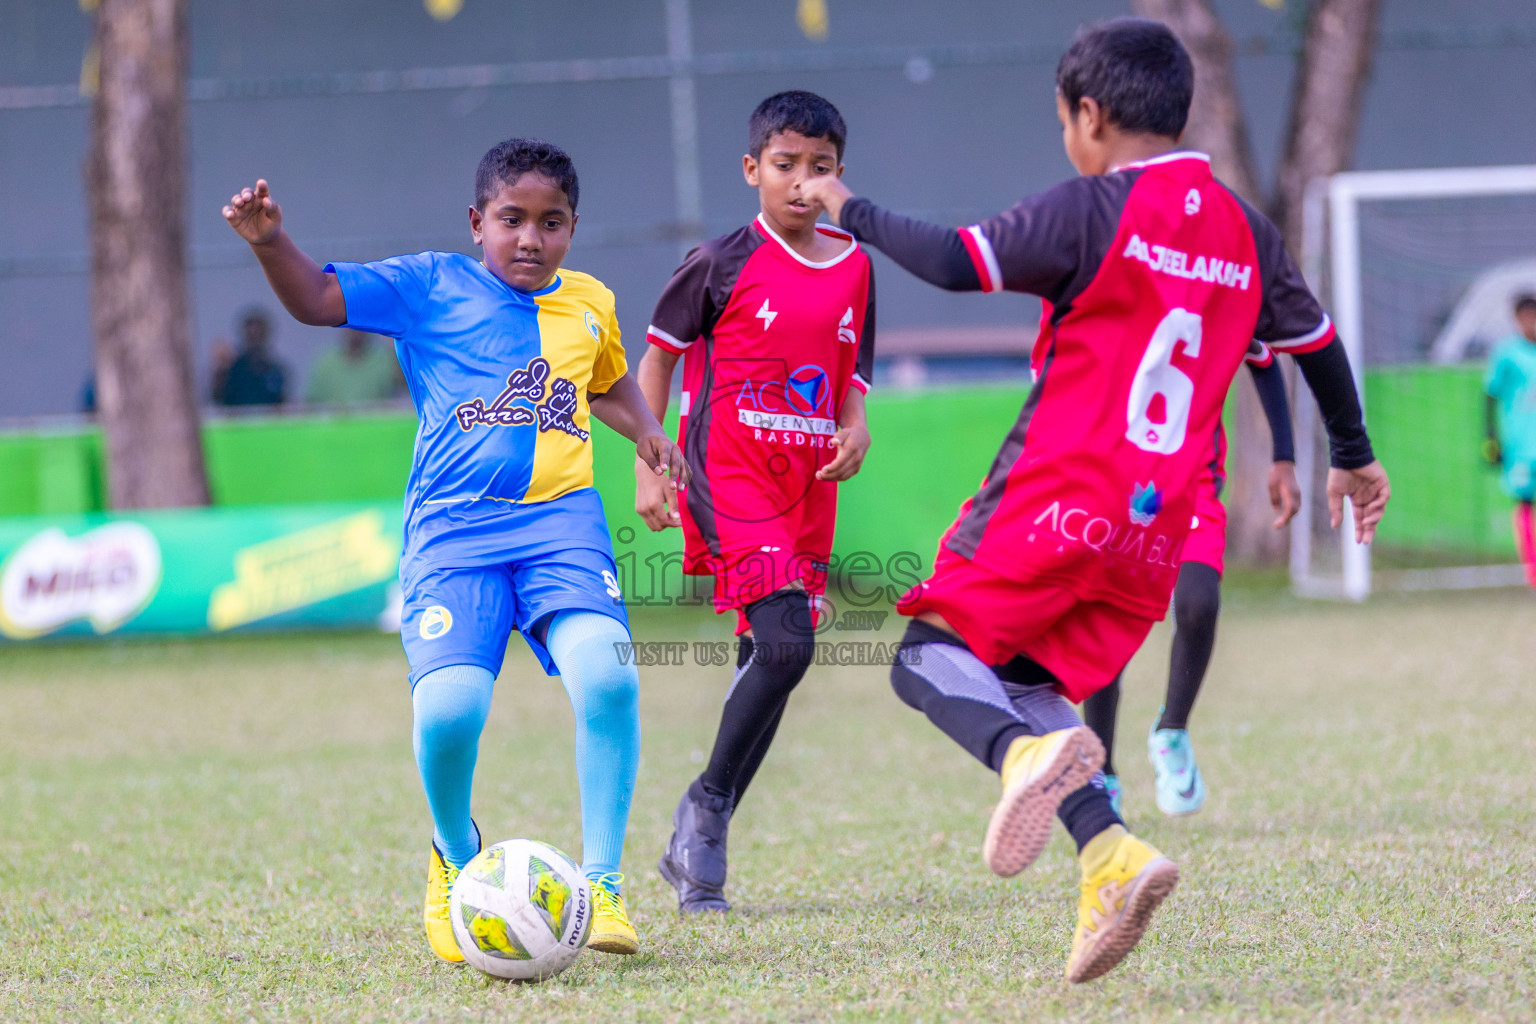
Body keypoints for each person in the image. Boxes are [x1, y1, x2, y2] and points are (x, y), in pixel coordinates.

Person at [801, 17, 1389, 983]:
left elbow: (956, 261)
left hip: (1054, 500)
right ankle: (1110, 855)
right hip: (1155, 533)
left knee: (927, 659)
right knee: (1029, 684)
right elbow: (1315, 344)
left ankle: (1018, 758)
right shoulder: (1246, 229)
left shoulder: (1092, 208)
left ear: (1088, 115)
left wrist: (851, 206)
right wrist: (1353, 455)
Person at [221, 138, 688, 963]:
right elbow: (319, 300)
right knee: (448, 715)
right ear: (478, 222)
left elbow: (608, 381)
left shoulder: (589, 304)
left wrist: (649, 433)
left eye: (552, 223)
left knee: (610, 676)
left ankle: (605, 884)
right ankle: (452, 856)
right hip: (453, 539)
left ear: (574, 229)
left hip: (560, 528)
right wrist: (269, 242)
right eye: (512, 220)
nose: (530, 239)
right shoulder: (428, 285)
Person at [636, 91, 876, 913]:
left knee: (767, 657)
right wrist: (650, 462)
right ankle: (705, 809)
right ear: (752, 170)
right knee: (790, 643)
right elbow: (658, 363)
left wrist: (857, 425)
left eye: (821, 168)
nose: (803, 184)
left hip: (805, 486)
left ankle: (700, 840)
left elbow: (853, 378)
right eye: (785, 166)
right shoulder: (719, 261)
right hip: (725, 472)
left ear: (841, 175)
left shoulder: (856, 266)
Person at [1083, 341, 1300, 818]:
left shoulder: (1214, 289)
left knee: (1199, 603)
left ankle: (1172, 732)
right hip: (1116, 478)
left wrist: (1283, 455)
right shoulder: (1113, 290)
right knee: (1109, 621)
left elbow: (1262, 357)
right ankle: (1102, 770)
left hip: (1191, 482)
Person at [1484, 293, 1536, 587]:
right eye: (1527, 317)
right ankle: (1533, 571)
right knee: (1525, 503)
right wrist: (1491, 439)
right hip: (1521, 447)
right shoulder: (1507, 354)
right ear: (1517, 320)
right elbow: (1490, 396)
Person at [304, 328, 406, 407]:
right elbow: (311, 404)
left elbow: (406, 385)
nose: (355, 330)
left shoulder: (385, 359)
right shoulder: (325, 362)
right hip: (333, 429)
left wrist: (396, 344)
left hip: (375, 427)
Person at [212, 309, 289, 406]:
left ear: (265, 335)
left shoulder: (276, 371)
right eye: (252, 337)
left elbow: (282, 405)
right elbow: (216, 398)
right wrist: (219, 371)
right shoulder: (231, 370)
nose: (255, 342)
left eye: (259, 336)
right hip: (237, 420)